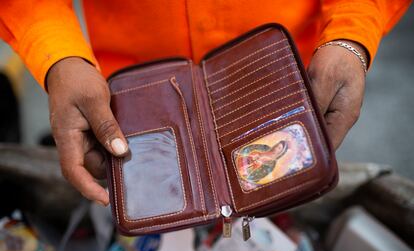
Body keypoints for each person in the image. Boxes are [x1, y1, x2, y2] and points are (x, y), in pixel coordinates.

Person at [0, 0, 410, 206]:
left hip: (288, 91)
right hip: (134, 109)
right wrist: (59, 58)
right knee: (156, 208)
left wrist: (352, 35)